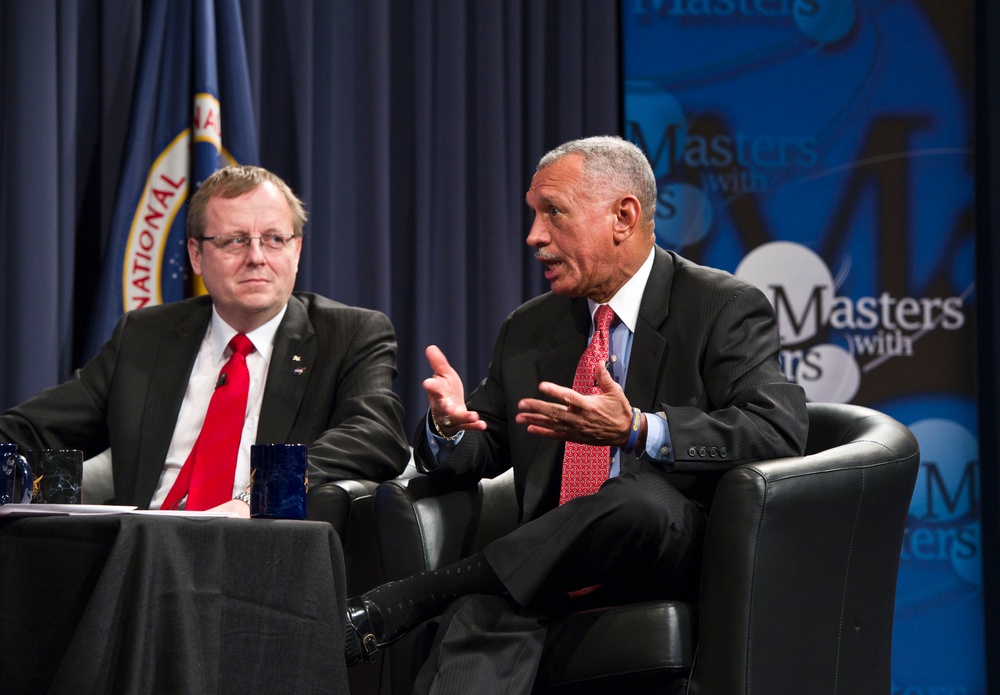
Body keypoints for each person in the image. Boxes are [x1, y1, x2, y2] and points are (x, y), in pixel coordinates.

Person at [343, 136, 809, 691]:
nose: (534, 236)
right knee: (480, 617)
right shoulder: (531, 326)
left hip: (666, 548)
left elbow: (778, 427)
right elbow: (483, 447)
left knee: (639, 500)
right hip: (550, 562)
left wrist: (638, 429)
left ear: (623, 216)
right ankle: (462, 592)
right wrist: (447, 426)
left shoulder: (721, 307)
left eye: (553, 213)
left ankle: (417, 596)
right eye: (533, 214)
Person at [0, 165, 409, 515]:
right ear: (196, 255)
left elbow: (376, 433)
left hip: (266, 553)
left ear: (297, 250)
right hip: (144, 548)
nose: (256, 256)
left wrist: (259, 495)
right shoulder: (146, 337)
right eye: (235, 240)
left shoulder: (350, 334)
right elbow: (35, 428)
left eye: (274, 239)